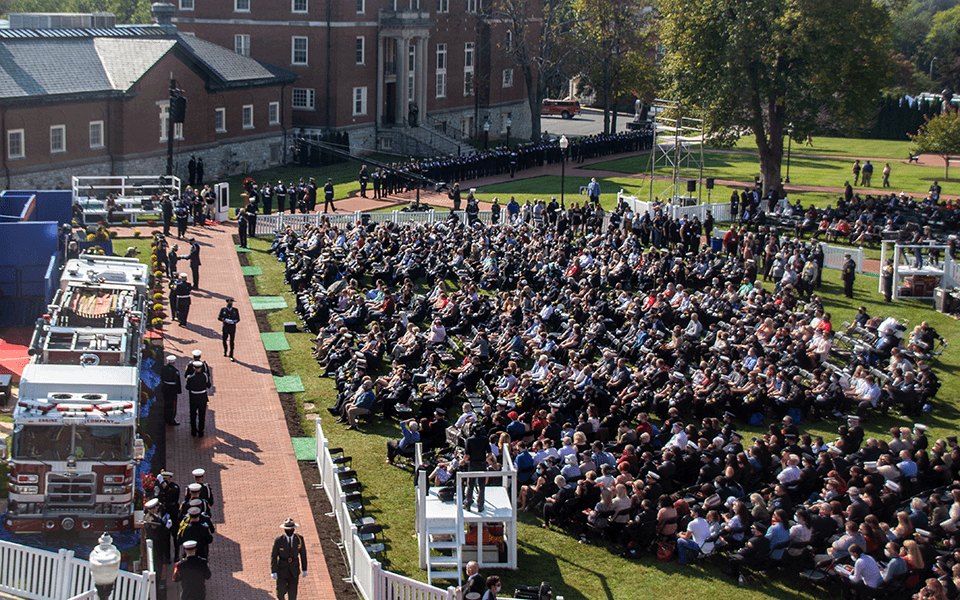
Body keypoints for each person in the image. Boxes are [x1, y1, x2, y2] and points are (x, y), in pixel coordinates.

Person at [271, 518, 308, 600]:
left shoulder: (299, 539)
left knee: (292, 594)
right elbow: (274, 556)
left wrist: (304, 568)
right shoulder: (279, 540)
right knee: (280, 592)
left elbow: (303, 554)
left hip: (294, 570)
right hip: (282, 569)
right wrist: (273, 570)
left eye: (291, 529)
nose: (289, 531)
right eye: (288, 529)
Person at [143, 498, 172, 592]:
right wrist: (167, 528)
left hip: (157, 547)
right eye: (157, 507)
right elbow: (158, 536)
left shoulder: (153, 517)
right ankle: (156, 587)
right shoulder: (153, 521)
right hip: (157, 548)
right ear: (153, 509)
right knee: (157, 567)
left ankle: (157, 585)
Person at [463, 423, 489, 511]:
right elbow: (489, 454)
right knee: (482, 485)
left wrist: (462, 462)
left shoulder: (469, 440)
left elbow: (467, 455)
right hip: (482, 464)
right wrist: (484, 459)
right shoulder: (485, 439)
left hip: (473, 465)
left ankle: (468, 503)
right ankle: (480, 505)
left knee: (470, 484)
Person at [185, 361, 209, 437]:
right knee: (202, 415)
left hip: (193, 398)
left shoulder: (190, 377)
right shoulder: (205, 376)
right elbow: (208, 385)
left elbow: (187, 387)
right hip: (202, 398)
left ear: (193, 368)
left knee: (193, 414)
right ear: (201, 368)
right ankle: (201, 431)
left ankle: (193, 431)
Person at [161, 355, 182, 426]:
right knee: (172, 406)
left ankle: (165, 419)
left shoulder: (163, 368)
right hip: (172, 390)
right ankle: (171, 420)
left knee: (166, 404)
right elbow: (177, 382)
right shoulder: (175, 371)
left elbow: (162, 377)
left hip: (165, 388)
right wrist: (178, 391)